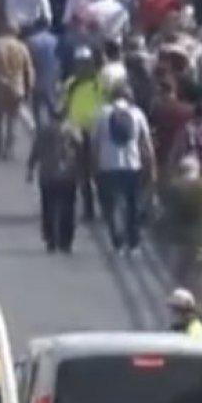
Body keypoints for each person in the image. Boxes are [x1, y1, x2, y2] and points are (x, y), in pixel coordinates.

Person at [93, 85, 156, 255]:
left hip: (107, 165)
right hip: (132, 164)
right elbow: (146, 144)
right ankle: (134, 243)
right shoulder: (137, 114)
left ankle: (117, 242)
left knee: (111, 205)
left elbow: (95, 143)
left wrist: (94, 165)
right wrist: (151, 165)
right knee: (132, 205)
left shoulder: (102, 114)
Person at [159, 155, 202, 311]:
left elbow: (164, 213)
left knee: (180, 279)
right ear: (198, 170)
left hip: (178, 241)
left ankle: (181, 311)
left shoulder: (172, 188)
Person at [27, 104, 81, 252]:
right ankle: (66, 240)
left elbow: (35, 151)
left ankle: (50, 239)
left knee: (47, 207)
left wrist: (30, 169)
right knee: (68, 208)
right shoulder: (72, 132)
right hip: (68, 176)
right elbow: (81, 150)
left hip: (47, 175)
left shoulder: (44, 132)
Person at [0, 24, 35, 161]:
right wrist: (29, 88)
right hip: (16, 88)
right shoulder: (21, 47)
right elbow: (29, 70)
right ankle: (9, 148)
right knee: (12, 119)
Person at [62, 46, 104, 221]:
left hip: (96, 132)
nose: (82, 67)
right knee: (82, 174)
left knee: (99, 173)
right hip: (77, 133)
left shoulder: (99, 83)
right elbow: (64, 106)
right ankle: (88, 209)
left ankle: (104, 206)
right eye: (79, 63)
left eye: (85, 63)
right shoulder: (71, 84)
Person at [25, 20, 61, 127]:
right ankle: (54, 127)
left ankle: (38, 127)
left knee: (36, 104)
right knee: (52, 103)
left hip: (37, 76)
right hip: (52, 76)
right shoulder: (55, 40)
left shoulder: (31, 41)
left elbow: (28, 61)